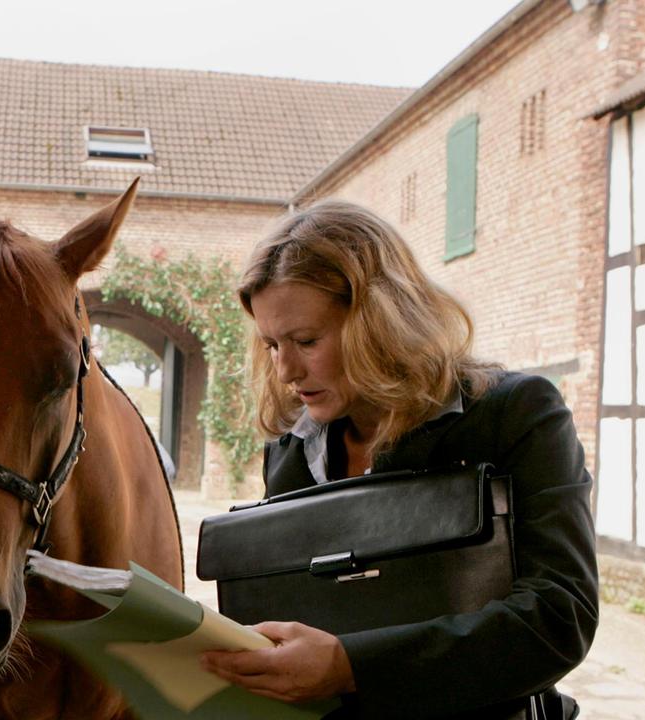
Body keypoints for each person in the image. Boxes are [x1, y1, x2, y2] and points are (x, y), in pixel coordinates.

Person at [199, 200, 598, 718]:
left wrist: (350, 666)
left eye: (306, 340)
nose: (285, 371)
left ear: (381, 320)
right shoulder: (289, 454)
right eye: (272, 344)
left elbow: (560, 614)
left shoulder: (517, 414)